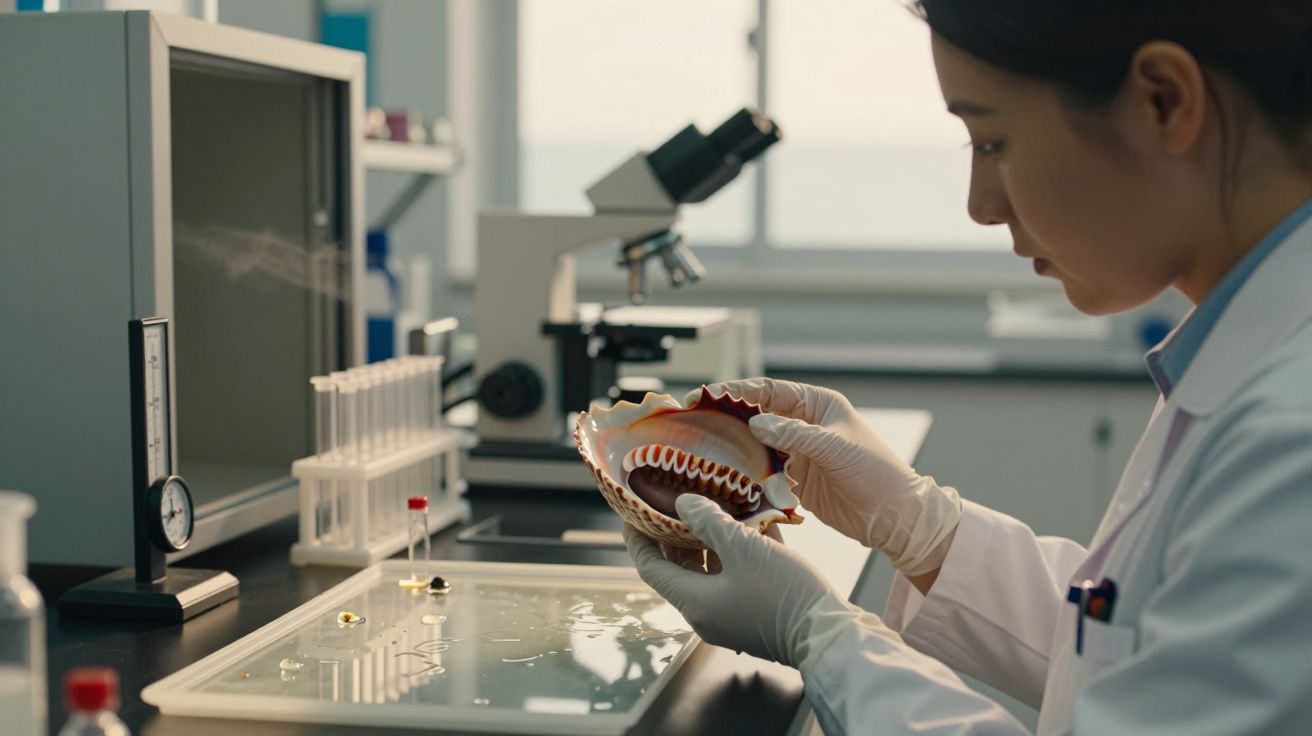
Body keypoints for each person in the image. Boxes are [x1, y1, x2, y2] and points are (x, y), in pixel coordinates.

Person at [622, 1, 1312, 733]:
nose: (980, 206)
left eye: (992, 141)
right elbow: (1141, 657)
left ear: (1162, 102)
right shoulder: (1253, 360)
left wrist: (822, 635)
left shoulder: (1289, 439)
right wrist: (924, 527)